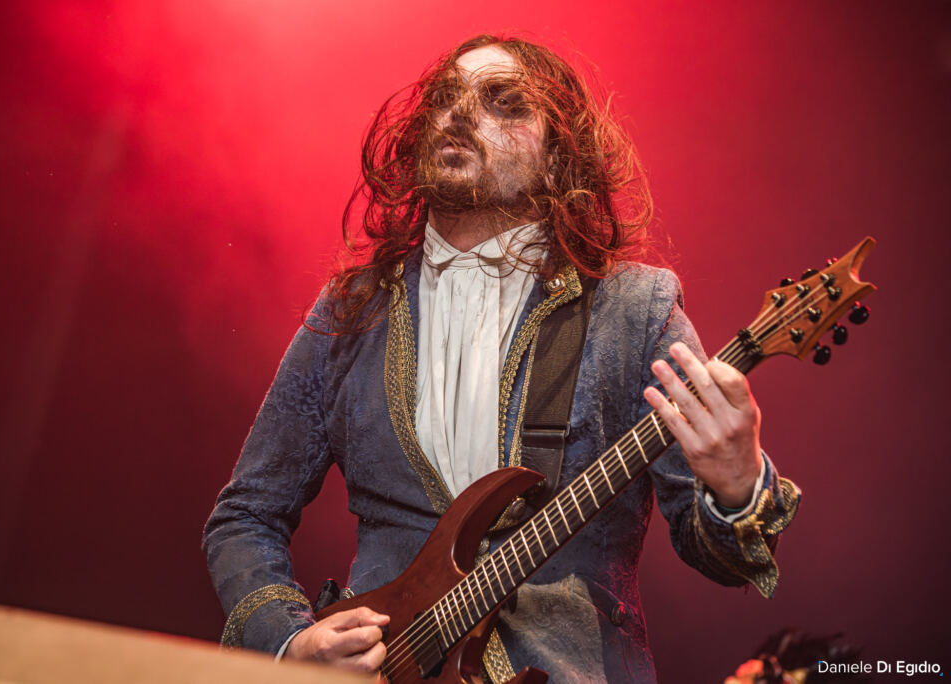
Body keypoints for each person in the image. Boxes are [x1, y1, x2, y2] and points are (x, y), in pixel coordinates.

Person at [202, 34, 800, 683]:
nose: (461, 113)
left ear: (557, 157)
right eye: (445, 99)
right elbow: (244, 515)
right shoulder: (355, 310)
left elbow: (729, 560)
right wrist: (288, 642)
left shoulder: (634, 310)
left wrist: (737, 484)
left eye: (504, 103)